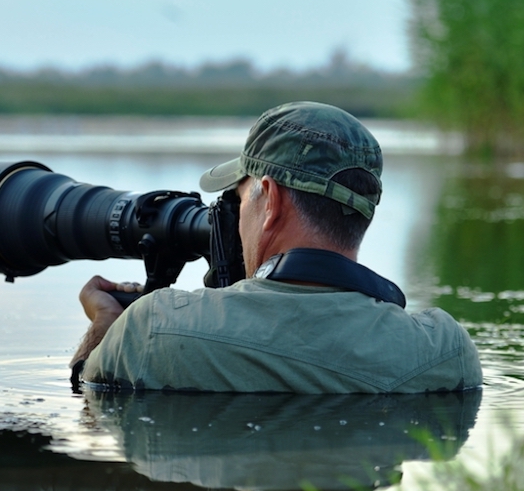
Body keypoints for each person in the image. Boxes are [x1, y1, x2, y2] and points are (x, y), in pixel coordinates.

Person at [69, 102, 482, 393]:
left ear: (271, 200)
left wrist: (106, 329)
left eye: (239, 198)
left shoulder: (152, 329)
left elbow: (89, 397)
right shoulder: (444, 349)